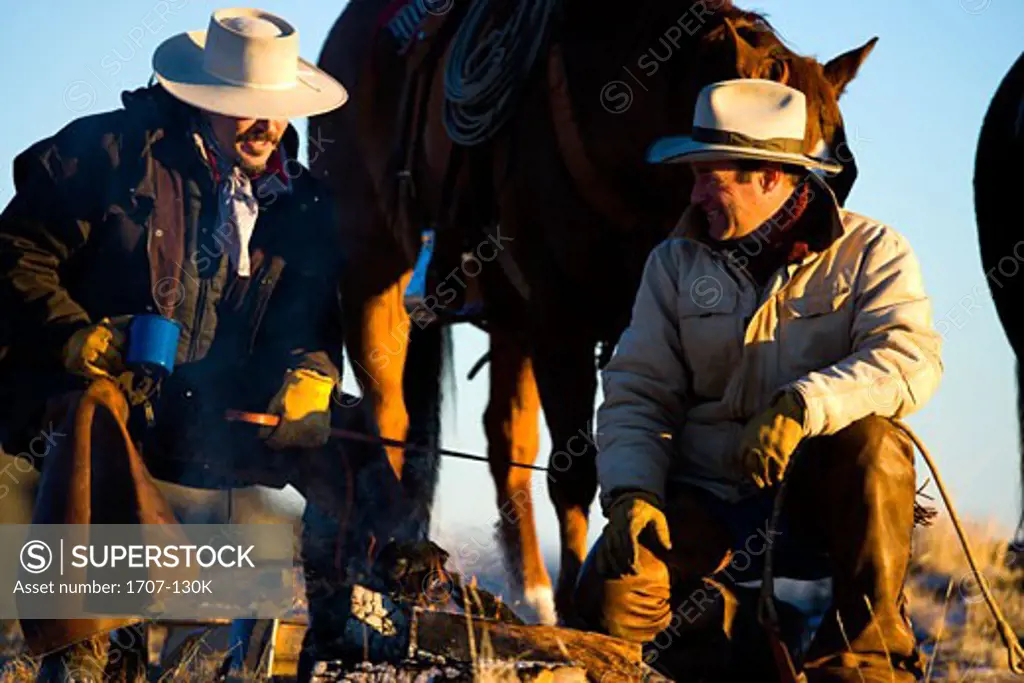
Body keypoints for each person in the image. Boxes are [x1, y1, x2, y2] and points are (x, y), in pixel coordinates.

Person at [0, 8, 392, 681]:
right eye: (246, 108)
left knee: (350, 434)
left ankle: (353, 625)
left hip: (218, 413)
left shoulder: (304, 204)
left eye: (274, 108)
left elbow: (315, 324)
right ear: (205, 99)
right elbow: (14, 253)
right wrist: (74, 337)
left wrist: (312, 374)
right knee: (93, 409)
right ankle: (79, 651)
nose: (266, 124)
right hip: (103, 390)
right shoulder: (107, 153)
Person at [574, 79, 943, 682]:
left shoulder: (873, 250)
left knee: (877, 446)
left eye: (709, 177)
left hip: (822, 502)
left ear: (770, 177)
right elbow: (638, 390)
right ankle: (740, 643)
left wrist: (802, 406)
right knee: (612, 596)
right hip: (706, 496)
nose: (693, 195)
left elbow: (909, 358)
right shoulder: (672, 263)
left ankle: (867, 661)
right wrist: (632, 494)